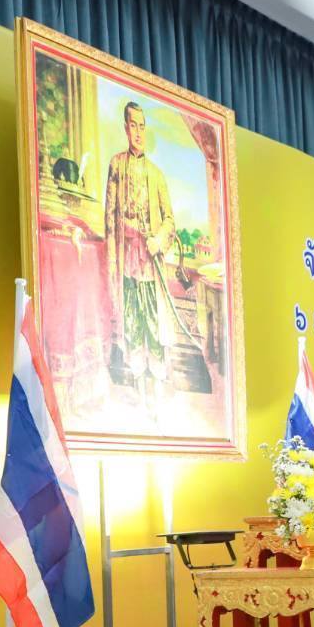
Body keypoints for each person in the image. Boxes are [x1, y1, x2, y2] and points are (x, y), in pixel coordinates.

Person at [104, 101, 175, 409]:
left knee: (153, 324)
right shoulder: (116, 165)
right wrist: (111, 260)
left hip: (151, 264)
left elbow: (169, 219)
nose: (138, 132)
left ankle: (157, 393)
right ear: (126, 128)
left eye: (142, 126)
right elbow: (110, 218)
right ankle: (139, 393)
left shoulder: (157, 175)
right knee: (132, 323)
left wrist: (159, 239)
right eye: (133, 125)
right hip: (127, 261)